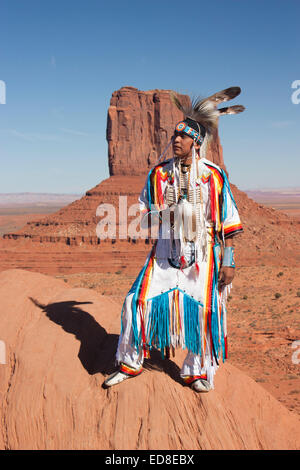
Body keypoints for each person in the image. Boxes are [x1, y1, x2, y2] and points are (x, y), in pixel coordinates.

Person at [104, 91, 244, 392]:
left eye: (183, 136)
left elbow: (228, 223)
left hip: (202, 256)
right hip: (166, 253)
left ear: (196, 142)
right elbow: (143, 217)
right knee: (135, 302)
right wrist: (164, 214)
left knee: (206, 310)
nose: (176, 140)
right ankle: (129, 363)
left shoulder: (213, 176)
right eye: (174, 135)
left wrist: (229, 262)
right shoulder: (157, 176)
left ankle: (195, 370)